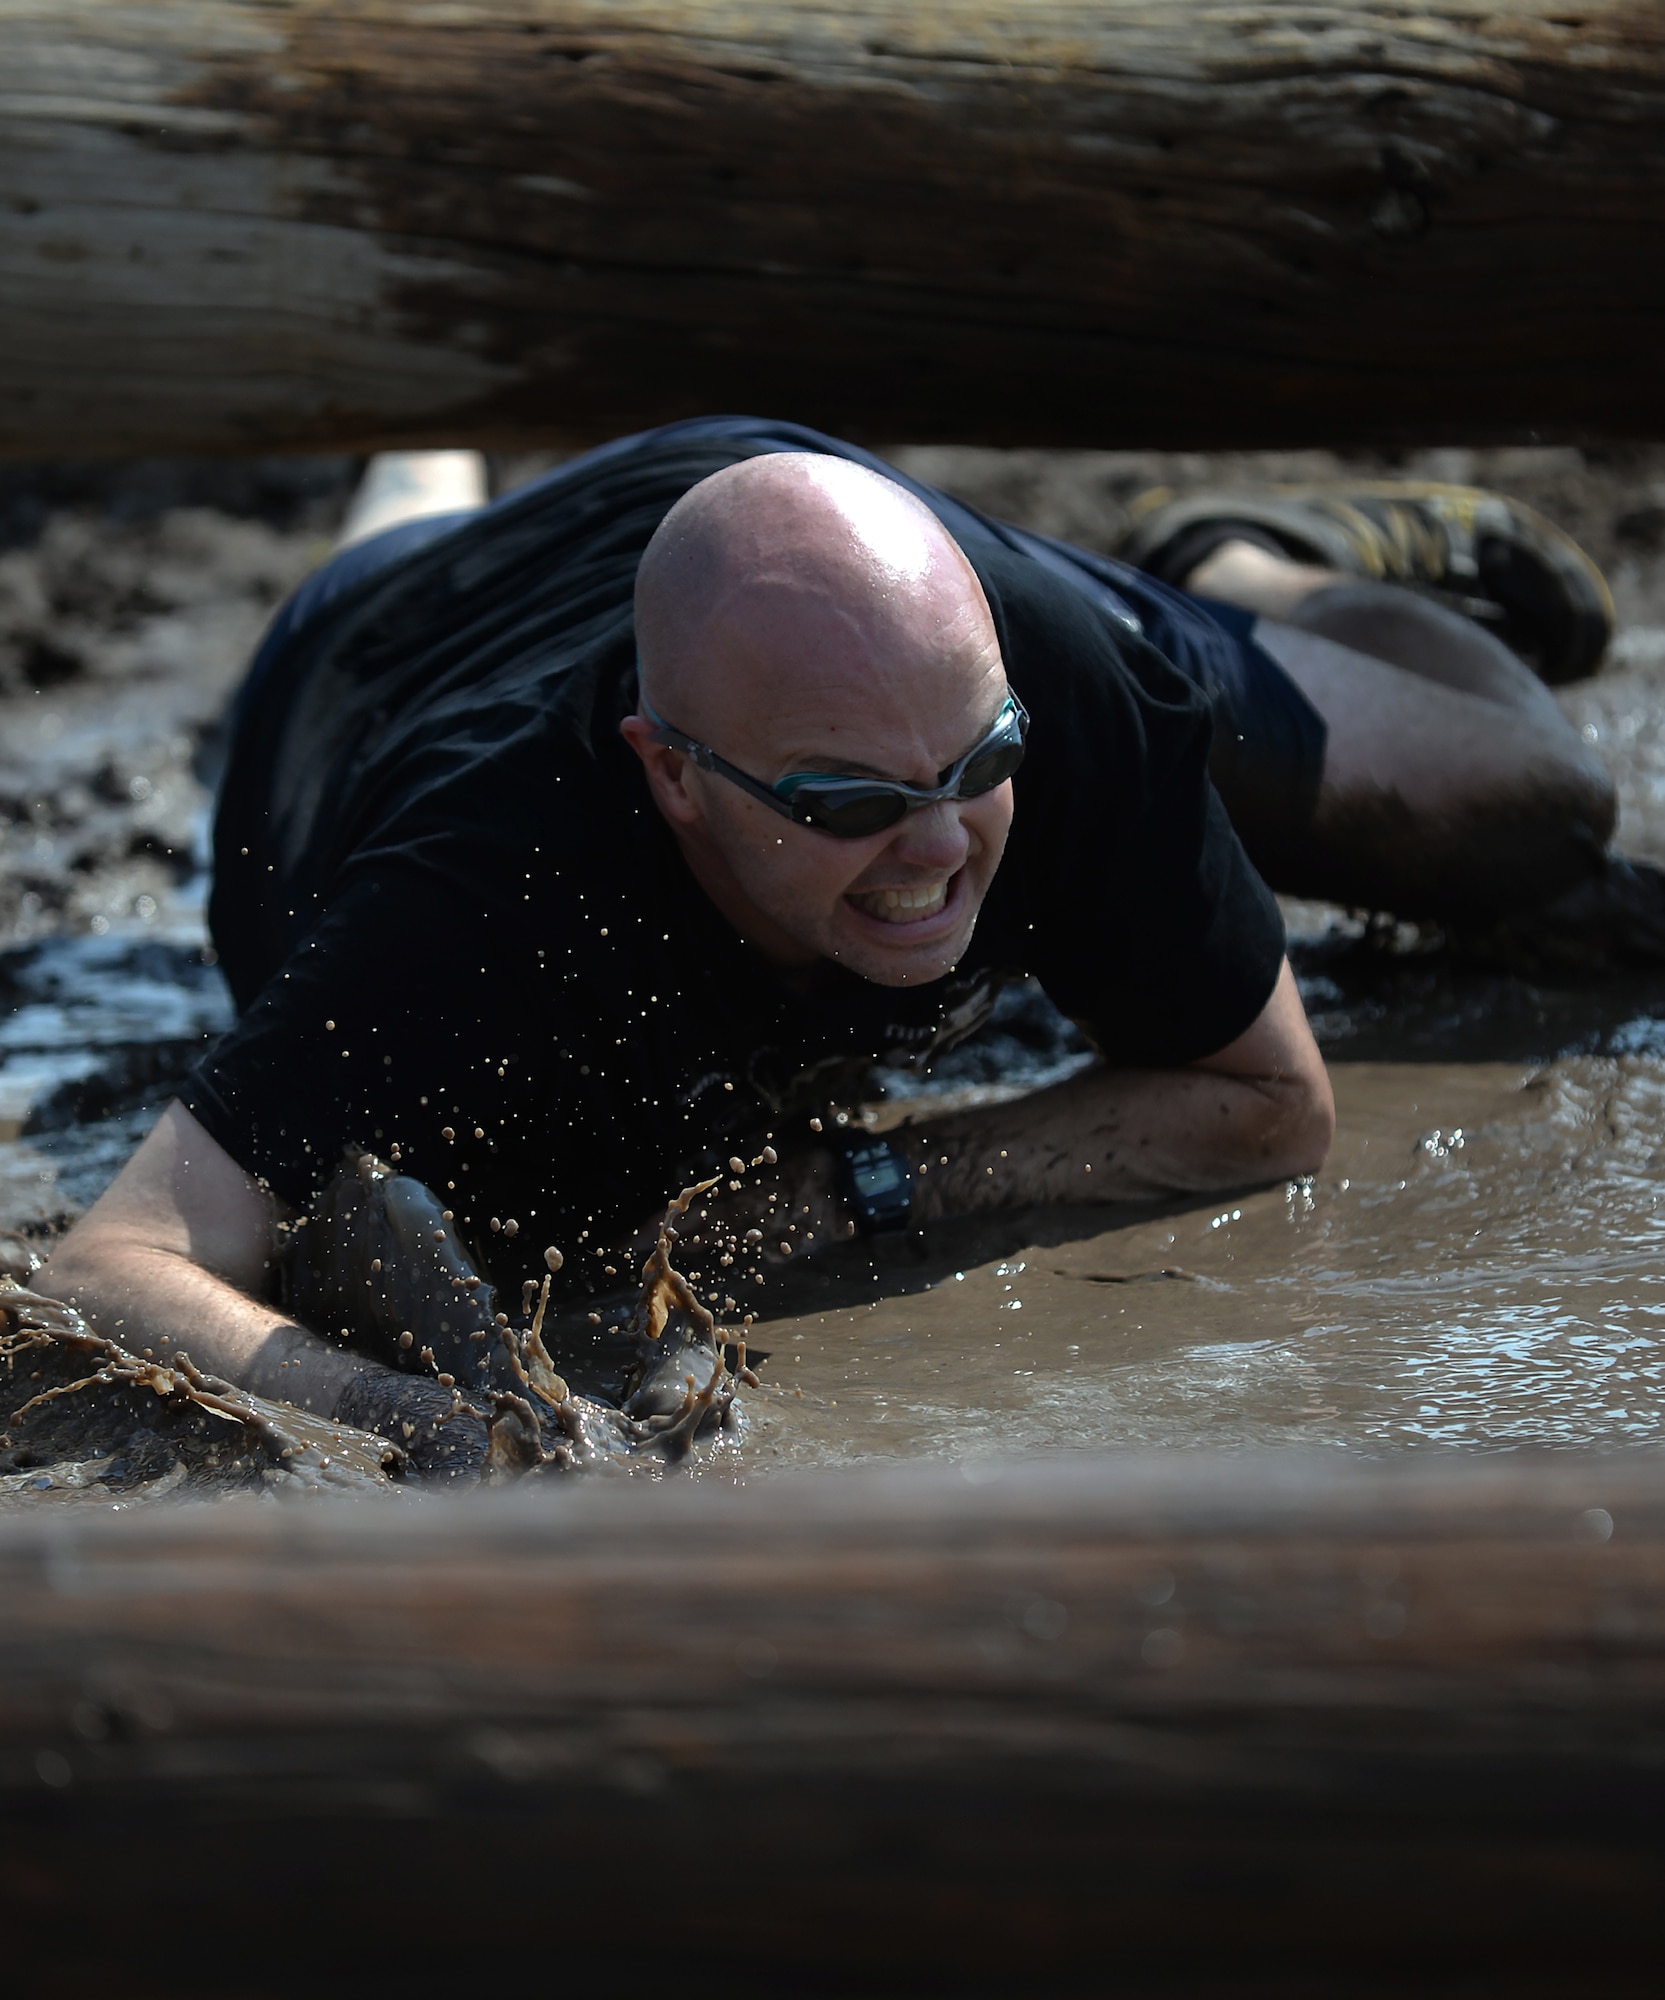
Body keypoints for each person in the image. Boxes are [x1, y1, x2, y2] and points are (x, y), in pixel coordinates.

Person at [42, 416, 1617, 1455]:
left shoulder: (1050, 695)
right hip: (384, 644)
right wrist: (405, 1410)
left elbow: (1272, 1105)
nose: (939, 852)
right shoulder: (481, 893)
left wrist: (848, 1192)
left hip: (826, 563)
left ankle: (1232, 560)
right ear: (671, 777)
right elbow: (116, 1260)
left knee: (1536, 807)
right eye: (849, 804)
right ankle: (421, 456)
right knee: (377, 545)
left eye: (980, 772)